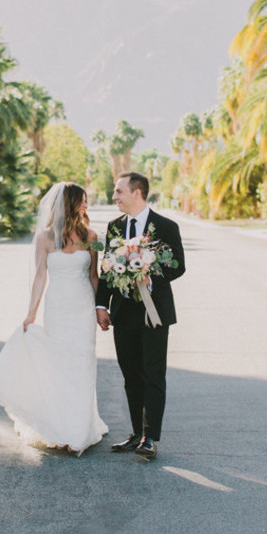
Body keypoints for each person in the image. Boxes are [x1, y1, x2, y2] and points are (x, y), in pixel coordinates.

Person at [0, 182, 108, 455]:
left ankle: (80, 427)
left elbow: (94, 275)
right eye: (83, 201)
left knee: (83, 363)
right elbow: (40, 276)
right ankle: (59, 428)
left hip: (83, 307)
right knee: (60, 365)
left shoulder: (91, 235)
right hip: (58, 308)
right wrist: (31, 313)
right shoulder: (45, 237)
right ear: (70, 204)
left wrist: (101, 308)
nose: (87, 206)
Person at [96, 172, 185, 459]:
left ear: (138, 193)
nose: (114, 197)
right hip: (123, 314)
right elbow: (107, 270)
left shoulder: (165, 226)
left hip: (154, 313)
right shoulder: (114, 227)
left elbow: (178, 266)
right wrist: (102, 306)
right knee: (131, 375)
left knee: (153, 374)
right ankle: (136, 433)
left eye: (119, 191)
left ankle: (151, 437)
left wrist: (148, 275)